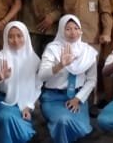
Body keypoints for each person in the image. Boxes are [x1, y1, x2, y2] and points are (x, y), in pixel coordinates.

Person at [38, 15, 98, 143]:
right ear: (61, 30)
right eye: (68, 29)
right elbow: (41, 76)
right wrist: (60, 65)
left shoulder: (88, 52)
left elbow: (91, 80)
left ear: (81, 31)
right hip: (53, 97)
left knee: (81, 129)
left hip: (77, 97)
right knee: (63, 121)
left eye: (76, 28)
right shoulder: (52, 49)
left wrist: (78, 99)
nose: (73, 32)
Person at [0, 21, 42, 143]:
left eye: (19, 36)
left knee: (10, 120)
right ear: (5, 38)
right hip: (1, 101)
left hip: (23, 103)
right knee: (6, 117)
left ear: (26, 36)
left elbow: (37, 86)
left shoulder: (34, 60)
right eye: (11, 36)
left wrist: (28, 106)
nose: (15, 40)